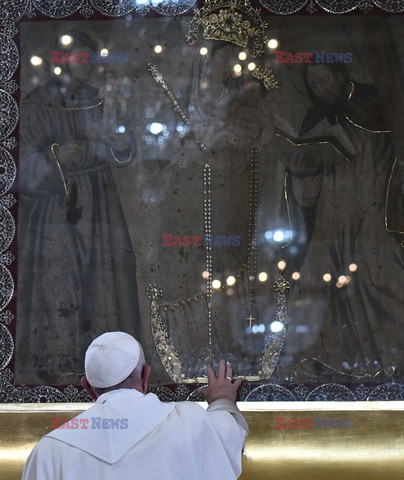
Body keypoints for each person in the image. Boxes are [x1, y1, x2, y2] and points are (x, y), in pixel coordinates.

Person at [15, 30, 140, 384]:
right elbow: (18, 165)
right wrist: (55, 156)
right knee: (56, 280)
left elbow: (125, 151)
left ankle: (107, 371)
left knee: (101, 283)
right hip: (55, 207)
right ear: (60, 60)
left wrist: (119, 141)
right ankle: (56, 363)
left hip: (99, 204)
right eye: (78, 59)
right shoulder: (37, 102)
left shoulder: (100, 100)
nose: (86, 67)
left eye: (90, 59)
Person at [273, 63, 404, 382]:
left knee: (380, 275)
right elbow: (308, 193)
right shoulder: (315, 120)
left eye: (323, 78)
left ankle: (392, 358)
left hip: (374, 209)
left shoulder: (376, 107)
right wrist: (302, 169)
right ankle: (325, 363)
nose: (320, 87)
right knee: (319, 282)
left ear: (341, 74)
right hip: (331, 218)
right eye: (313, 84)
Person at [22, 331, 248, 480]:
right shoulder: (190, 421)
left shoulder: (49, 451)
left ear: (87, 387)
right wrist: (222, 399)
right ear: (145, 377)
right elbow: (228, 438)